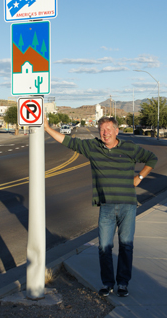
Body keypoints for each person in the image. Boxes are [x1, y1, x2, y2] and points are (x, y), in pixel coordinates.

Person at [43, 115, 158, 297]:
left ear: (116, 131)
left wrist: (139, 177)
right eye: (102, 130)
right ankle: (107, 283)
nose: (105, 133)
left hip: (127, 205)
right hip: (106, 207)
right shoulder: (93, 147)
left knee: (126, 246)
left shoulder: (129, 148)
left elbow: (151, 158)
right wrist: (48, 129)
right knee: (104, 247)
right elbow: (68, 142)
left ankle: (122, 284)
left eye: (108, 130)